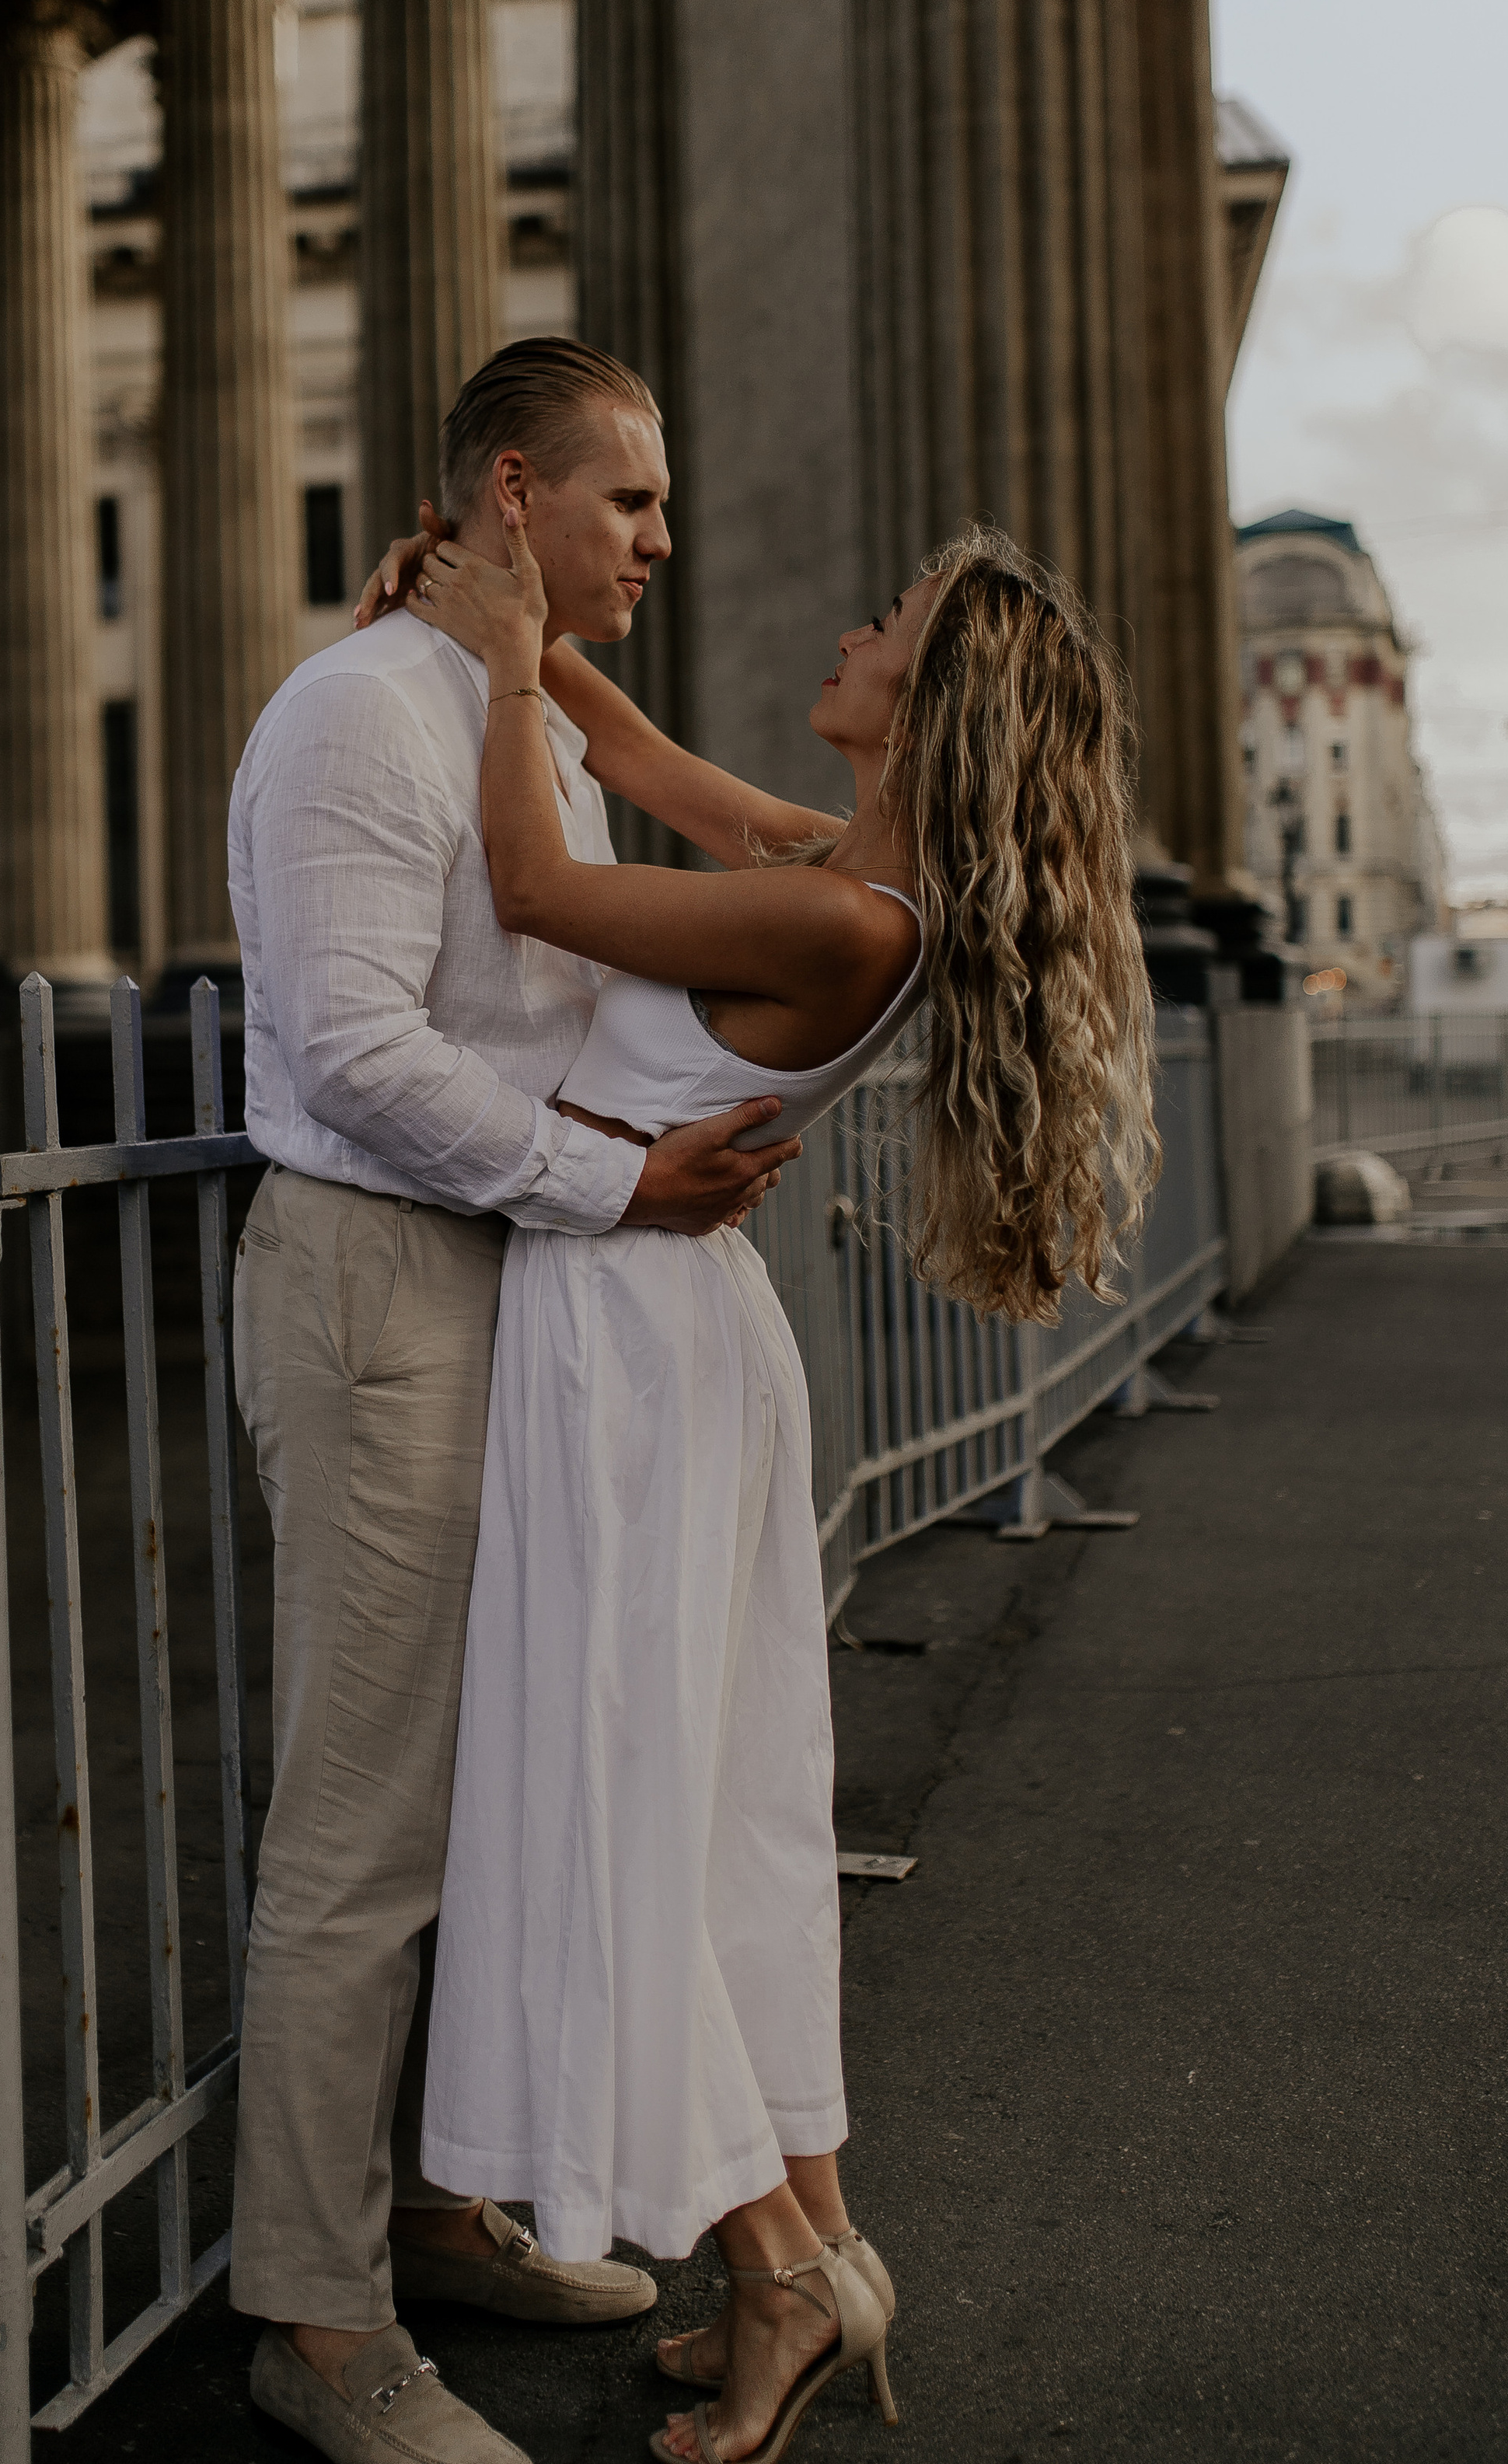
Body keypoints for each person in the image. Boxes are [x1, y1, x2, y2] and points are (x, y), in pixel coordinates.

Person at [386, 508, 1158, 2464]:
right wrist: (525, 622)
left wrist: (485, 671)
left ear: (927, 709)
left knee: (632, 1802)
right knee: (702, 1811)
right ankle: (809, 2246)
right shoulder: (838, 870)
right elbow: (637, 765)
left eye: (883, 628)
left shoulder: (834, 915)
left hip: (629, 1341)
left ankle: (776, 2276)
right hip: (668, 1329)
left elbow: (544, 881)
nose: (845, 628)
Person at [226, 337, 807, 2464]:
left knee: (513, 1783)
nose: (662, 534)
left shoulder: (517, 715)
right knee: (369, 1822)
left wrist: (662, 1142)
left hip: (527, 1273)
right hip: (389, 1280)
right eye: (628, 498)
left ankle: (439, 2200)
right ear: (502, 492)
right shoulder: (359, 716)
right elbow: (359, 1050)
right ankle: (312, 2317)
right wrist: (624, 1176)